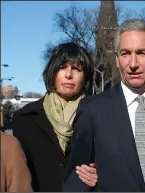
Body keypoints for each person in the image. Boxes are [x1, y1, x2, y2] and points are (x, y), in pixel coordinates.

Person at [63, 19, 145, 192]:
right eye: (125, 53)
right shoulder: (92, 110)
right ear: (117, 60)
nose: (133, 64)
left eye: (141, 53)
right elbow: (76, 177)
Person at [12, 42, 98, 191]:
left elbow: (114, 164)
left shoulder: (99, 115)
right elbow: (18, 174)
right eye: (62, 67)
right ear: (52, 73)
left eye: (76, 69)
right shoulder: (25, 118)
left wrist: (101, 175)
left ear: (85, 78)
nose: (69, 75)